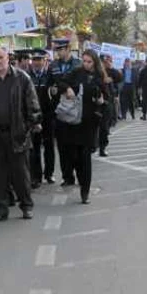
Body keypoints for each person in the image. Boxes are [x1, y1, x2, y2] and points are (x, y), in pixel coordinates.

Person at [0, 46, 41, 222]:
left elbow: (34, 107)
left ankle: (26, 206)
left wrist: (26, 127)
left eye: (1, 58)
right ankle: (0, 209)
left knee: (21, 174)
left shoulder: (22, 79)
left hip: (18, 135)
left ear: (8, 58)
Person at [57, 49, 106, 204]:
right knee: (74, 156)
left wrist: (102, 101)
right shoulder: (76, 73)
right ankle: (76, 177)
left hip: (89, 123)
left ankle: (85, 192)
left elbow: (106, 99)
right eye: (84, 61)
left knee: (85, 158)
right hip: (73, 122)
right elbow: (60, 82)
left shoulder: (99, 77)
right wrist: (67, 88)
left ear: (95, 62)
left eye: (89, 62)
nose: (86, 64)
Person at [47, 39, 81, 186]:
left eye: (61, 49)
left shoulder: (78, 64)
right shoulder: (53, 65)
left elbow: (79, 84)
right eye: (57, 50)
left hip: (74, 108)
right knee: (62, 146)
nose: (59, 52)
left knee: (75, 145)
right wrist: (53, 89)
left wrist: (65, 87)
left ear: (68, 48)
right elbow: (49, 83)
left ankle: (78, 173)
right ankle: (67, 176)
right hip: (59, 109)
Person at [28, 49, 55, 186]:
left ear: (45, 61)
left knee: (49, 146)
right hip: (33, 117)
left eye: (40, 60)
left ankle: (49, 174)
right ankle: (36, 176)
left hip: (48, 116)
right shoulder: (27, 76)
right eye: (35, 60)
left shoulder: (50, 76)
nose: (37, 63)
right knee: (35, 147)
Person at [99, 55, 122, 157]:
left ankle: (102, 148)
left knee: (104, 127)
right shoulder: (95, 71)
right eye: (105, 62)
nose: (106, 63)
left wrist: (111, 68)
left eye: (108, 62)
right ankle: (94, 145)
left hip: (107, 102)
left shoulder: (110, 71)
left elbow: (119, 77)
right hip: (96, 102)